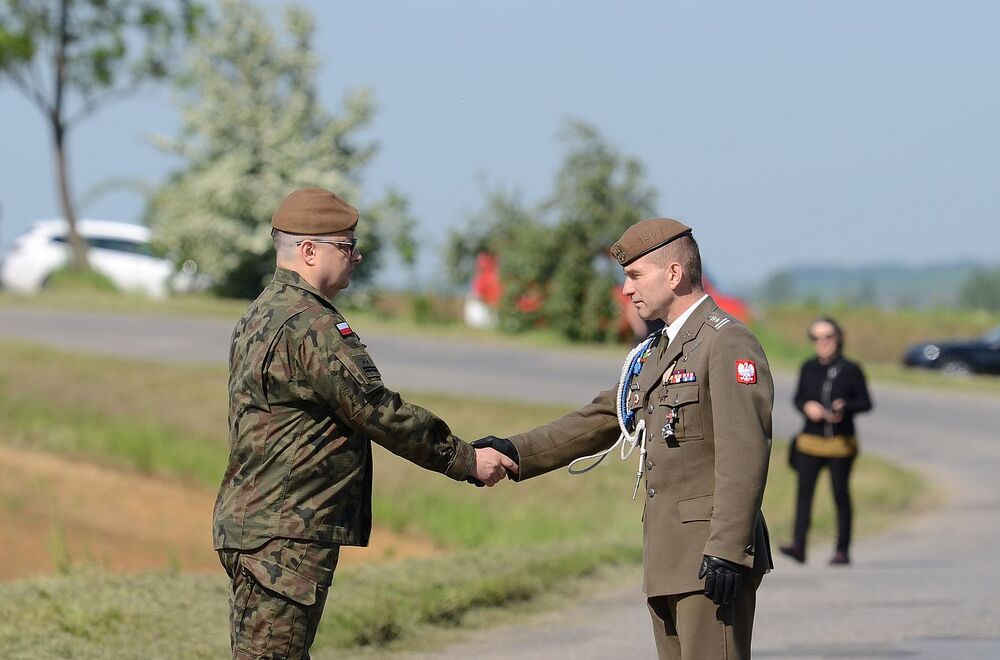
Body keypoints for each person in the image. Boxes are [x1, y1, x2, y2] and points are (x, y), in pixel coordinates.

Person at [212, 187, 517, 660]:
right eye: (346, 246)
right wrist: (465, 458)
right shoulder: (309, 324)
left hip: (260, 526)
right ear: (308, 251)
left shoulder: (262, 312)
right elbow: (376, 409)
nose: (356, 257)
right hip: (285, 536)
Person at [475, 218, 773, 660]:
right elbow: (602, 417)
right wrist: (517, 452)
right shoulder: (659, 351)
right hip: (670, 558)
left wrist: (730, 550)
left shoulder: (726, 342)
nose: (626, 290)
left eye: (635, 276)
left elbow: (744, 452)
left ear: (673, 275)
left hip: (712, 558)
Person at [779, 317, 872, 566]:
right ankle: (799, 544)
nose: (823, 342)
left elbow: (865, 402)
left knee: (840, 494)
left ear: (838, 338)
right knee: (804, 493)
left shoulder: (851, 369)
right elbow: (798, 398)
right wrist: (807, 407)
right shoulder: (808, 367)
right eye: (817, 337)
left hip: (841, 443)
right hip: (810, 440)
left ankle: (842, 549)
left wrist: (846, 406)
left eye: (828, 336)